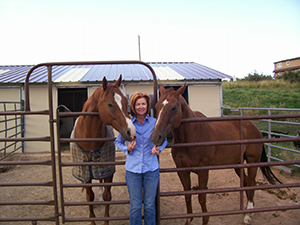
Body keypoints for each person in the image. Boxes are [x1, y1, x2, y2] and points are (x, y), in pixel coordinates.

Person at [115, 91, 168, 225]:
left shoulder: (154, 123)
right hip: (133, 171)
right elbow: (118, 142)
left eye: (143, 103)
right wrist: (127, 149)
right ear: (133, 106)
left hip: (151, 170)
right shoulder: (128, 124)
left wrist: (159, 149)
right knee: (136, 207)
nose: (141, 107)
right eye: (138, 104)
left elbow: (165, 140)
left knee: (150, 206)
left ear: (147, 105)